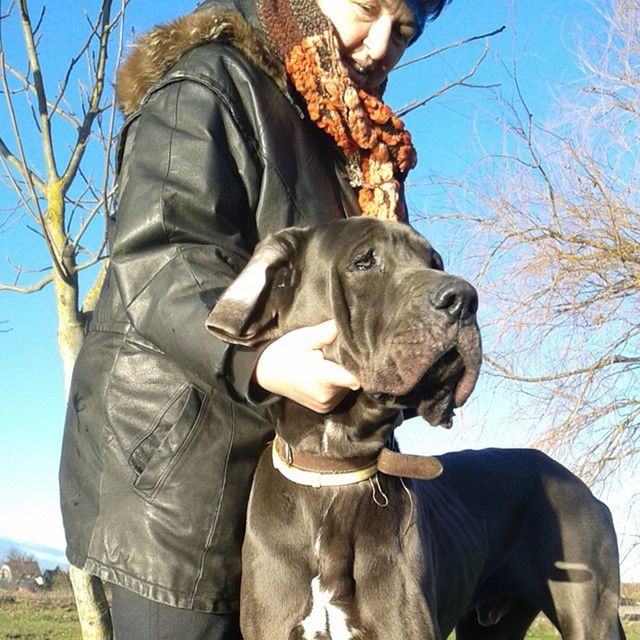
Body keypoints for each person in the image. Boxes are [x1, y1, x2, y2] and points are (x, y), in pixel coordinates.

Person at [59, 0, 451, 637]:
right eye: (366, 9)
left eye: (403, 31)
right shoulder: (209, 84)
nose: (381, 45)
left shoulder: (350, 143)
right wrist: (259, 360)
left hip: (295, 494)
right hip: (182, 492)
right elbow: (161, 253)